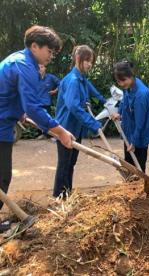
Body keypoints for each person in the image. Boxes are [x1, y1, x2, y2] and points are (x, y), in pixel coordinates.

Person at [0, 25, 74, 236]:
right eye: (49, 51)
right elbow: (33, 106)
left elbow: (10, 95)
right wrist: (60, 131)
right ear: (35, 46)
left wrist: (19, 112)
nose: (51, 56)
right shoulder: (25, 65)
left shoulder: (17, 59)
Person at [53, 45, 106, 198]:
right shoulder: (73, 80)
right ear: (78, 59)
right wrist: (94, 124)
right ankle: (58, 197)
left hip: (76, 129)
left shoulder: (82, 79)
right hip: (65, 129)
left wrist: (106, 102)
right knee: (64, 165)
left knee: (71, 164)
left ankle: (67, 195)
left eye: (91, 62)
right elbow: (73, 107)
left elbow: (92, 92)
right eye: (87, 61)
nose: (90, 64)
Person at [111, 61, 149, 172]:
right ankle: (129, 187)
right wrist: (119, 112)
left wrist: (134, 142)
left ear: (131, 75)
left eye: (123, 80)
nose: (121, 84)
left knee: (138, 169)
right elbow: (124, 101)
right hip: (129, 134)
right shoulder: (128, 86)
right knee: (129, 166)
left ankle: (139, 187)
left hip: (139, 138)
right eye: (118, 82)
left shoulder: (141, 95)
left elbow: (140, 123)